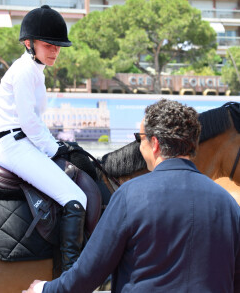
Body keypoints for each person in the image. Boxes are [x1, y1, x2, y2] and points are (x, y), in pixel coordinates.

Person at [23, 99, 240, 293]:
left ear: (154, 144)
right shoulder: (228, 205)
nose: (140, 145)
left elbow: (90, 273)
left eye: (140, 138)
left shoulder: (130, 196)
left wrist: (45, 289)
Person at [0, 5, 87, 272]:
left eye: (58, 47)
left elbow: (34, 122)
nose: (55, 51)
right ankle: (71, 276)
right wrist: (54, 148)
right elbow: (28, 121)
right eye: (49, 45)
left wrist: (55, 144)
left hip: (22, 142)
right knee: (75, 198)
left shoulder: (35, 70)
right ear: (29, 43)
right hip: (15, 144)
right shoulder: (23, 71)